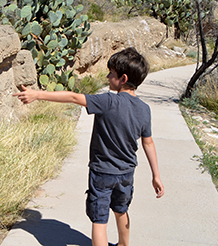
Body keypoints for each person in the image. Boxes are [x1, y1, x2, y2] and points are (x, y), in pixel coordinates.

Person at [13, 47, 164, 246]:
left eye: (111, 73)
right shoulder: (145, 109)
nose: (108, 76)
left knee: (99, 220)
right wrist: (156, 175)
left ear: (123, 78)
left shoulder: (108, 101)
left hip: (102, 173)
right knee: (121, 210)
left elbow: (75, 98)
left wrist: (38, 95)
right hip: (127, 173)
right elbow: (148, 143)